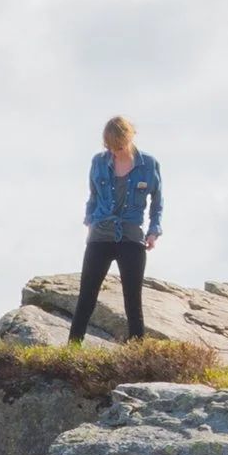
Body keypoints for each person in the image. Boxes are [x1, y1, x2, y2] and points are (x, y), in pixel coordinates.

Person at [70, 116, 163, 342]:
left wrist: (153, 231)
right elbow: (92, 195)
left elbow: (157, 202)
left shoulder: (149, 164)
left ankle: (136, 357)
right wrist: (89, 218)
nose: (115, 152)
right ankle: (71, 349)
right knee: (86, 298)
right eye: (110, 148)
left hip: (131, 238)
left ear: (129, 139)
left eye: (119, 147)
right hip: (100, 236)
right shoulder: (98, 162)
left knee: (133, 302)